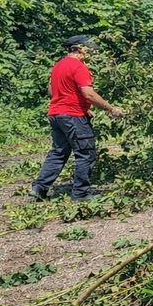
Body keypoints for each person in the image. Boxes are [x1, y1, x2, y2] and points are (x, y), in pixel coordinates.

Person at [31, 35, 123, 201]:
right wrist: (111, 109)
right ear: (79, 48)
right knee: (86, 153)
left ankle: (39, 188)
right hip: (72, 116)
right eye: (88, 48)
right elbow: (88, 93)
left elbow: (51, 92)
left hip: (56, 114)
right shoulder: (79, 66)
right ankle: (81, 194)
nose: (90, 51)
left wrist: (81, 106)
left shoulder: (58, 66)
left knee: (59, 152)